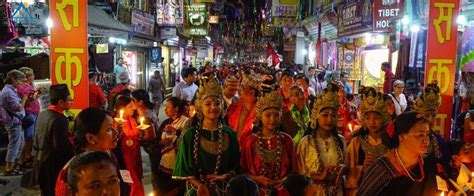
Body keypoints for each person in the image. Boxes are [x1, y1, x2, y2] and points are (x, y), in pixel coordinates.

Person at [172, 74, 240, 196]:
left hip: (223, 190)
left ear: (222, 106)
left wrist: (224, 176)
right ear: (200, 107)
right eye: (208, 104)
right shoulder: (190, 135)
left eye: (217, 103)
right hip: (197, 191)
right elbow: (183, 169)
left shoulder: (229, 134)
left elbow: (236, 166)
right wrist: (200, 185)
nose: (213, 107)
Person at [358, 112, 450, 195]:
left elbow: (442, 190)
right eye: (420, 135)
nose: (426, 140)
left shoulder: (429, 164)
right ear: (401, 136)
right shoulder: (381, 169)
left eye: (427, 134)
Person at [240, 86, 296, 195]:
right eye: (268, 115)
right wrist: (257, 179)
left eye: (276, 115)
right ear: (260, 116)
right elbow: (241, 173)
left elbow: (294, 171)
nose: (272, 119)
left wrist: (283, 181)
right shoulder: (250, 142)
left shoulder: (287, 141)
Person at [55, 107, 119, 196]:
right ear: (91, 138)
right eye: (108, 129)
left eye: (112, 181)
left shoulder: (110, 156)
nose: (116, 133)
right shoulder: (74, 172)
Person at [297, 83, 347, 195]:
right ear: (316, 116)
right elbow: (299, 176)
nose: (329, 119)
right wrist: (318, 176)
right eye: (325, 115)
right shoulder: (306, 143)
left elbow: (346, 173)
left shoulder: (341, 142)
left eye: (333, 115)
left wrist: (342, 170)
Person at [345, 87, 390, 196]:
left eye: (376, 118)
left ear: (383, 118)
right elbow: (347, 172)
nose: (372, 122)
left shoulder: (391, 143)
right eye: (368, 118)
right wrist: (362, 168)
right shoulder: (356, 143)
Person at [32, 84, 74, 195]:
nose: (71, 102)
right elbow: (61, 148)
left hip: (39, 162)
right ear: (61, 102)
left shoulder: (42, 114)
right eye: (70, 100)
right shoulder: (59, 119)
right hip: (52, 166)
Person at [155, 97, 188, 195]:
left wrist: (176, 131)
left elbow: (187, 139)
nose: (165, 110)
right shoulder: (166, 122)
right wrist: (162, 142)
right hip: (164, 163)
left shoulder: (186, 122)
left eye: (168, 107)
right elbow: (157, 141)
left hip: (177, 164)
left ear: (176, 108)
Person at [413, 82, 450, 166]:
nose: (431, 119)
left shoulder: (438, 140)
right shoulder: (409, 137)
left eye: (433, 115)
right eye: (426, 115)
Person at [114, 96, 144, 196]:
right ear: (122, 108)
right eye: (130, 106)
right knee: (131, 184)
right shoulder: (116, 122)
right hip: (124, 157)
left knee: (136, 180)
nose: (133, 108)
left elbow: (136, 135)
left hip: (134, 155)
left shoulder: (132, 119)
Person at [131, 89, 160, 193]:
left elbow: (151, 135)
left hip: (153, 149)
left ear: (140, 102)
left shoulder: (146, 116)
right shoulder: (143, 113)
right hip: (151, 150)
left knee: (156, 176)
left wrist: (137, 138)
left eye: (133, 100)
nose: (131, 103)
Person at [1, 70, 26, 176]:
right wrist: (24, 99)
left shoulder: (11, 90)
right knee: (14, 145)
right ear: (13, 79)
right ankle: (9, 169)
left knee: (20, 144)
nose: (21, 84)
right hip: (13, 122)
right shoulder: (8, 92)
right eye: (20, 81)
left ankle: (14, 167)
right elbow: (17, 108)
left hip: (16, 121)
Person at [17, 67, 41, 169]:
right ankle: (23, 159)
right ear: (27, 77)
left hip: (32, 113)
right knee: (29, 138)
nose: (33, 76)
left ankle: (25, 157)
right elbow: (28, 102)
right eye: (32, 75)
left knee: (29, 138)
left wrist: (37, 94)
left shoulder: (28, 86)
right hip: (29, 114)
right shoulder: (24, 87)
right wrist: (36, 95)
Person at [226, 73, 260, 145]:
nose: (238, 90)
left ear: (252, 93)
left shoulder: (261, 113)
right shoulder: (233, 107)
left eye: (242, 88)